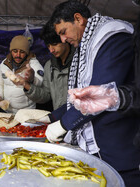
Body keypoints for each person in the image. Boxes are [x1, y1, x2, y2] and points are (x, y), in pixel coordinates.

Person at [43, 1, 140, 186]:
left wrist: (64, 124)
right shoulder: (87, 44)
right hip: (102, 149)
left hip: (119, 148)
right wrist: (51, 117)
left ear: (78, 19)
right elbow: (81, 96)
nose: (63, 40)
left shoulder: (112, 37)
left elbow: (98, 94)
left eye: (63, 32)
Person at [23, 21, 75, 110]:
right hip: (59, 119)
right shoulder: (49, 66)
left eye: (54, 44)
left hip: (78, 119)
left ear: (64, 39)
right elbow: (46, 95)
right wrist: (26, 84)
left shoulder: (80, 63)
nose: (51, 50)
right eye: (48, 46)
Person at [0, 35, 44, 113]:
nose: (18, 55)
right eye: (15, 51)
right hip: (7, 111)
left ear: (27, 52)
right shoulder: (4, 64)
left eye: (22, 52)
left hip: (27, 112)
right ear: (11, 51)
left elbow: (41, 83)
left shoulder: (33, 64)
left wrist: (32, 78)